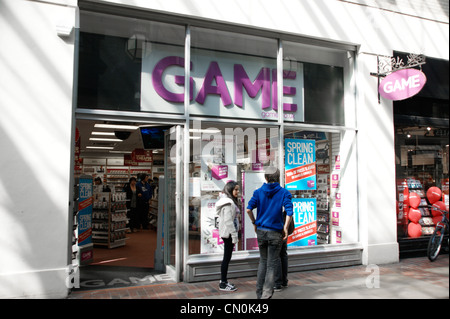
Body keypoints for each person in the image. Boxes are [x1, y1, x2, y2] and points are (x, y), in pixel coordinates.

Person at [246, 168, 293, 299]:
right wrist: (285, 227)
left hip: (261, 231)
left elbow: (248, 209)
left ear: (265, 178)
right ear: (278, 178)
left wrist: (254, 223)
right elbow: (289, 212)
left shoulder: (258, 192)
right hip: (275, 233)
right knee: (271, 264)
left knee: (263, 262)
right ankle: (266, 295)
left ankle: (259, 293)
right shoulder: (284, 192)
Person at [215, 181, 240, 292]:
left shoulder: (229, 201)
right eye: (235, 189)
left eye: (238, 189)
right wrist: (234, 235)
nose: (238, 192)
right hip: (228, 233)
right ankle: (223, 283)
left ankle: (224, 281)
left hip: (228, 233)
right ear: (230, 190)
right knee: (226, 258)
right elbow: (228, 221)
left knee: (227, 257)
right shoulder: (227, 202)